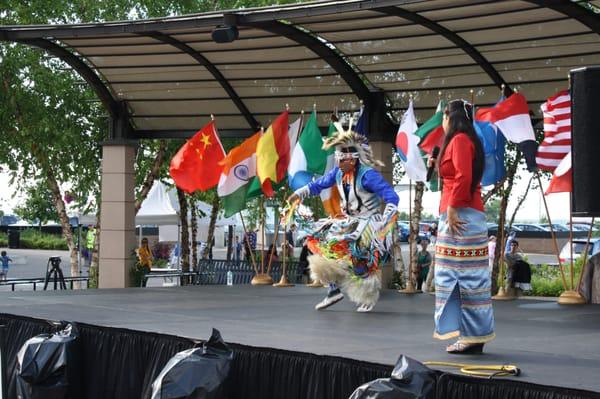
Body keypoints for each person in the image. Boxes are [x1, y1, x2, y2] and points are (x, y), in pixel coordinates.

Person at [287, 128, 399, 312]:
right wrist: (298, 194)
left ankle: (367, 296)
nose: (340, 162)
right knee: (325, 248)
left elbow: (391, 197)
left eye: (344, 158)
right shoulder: (337, 174)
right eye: (339, 158)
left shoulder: (368, 175)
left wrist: (385, 220)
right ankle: (333, 291)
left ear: (354, 159)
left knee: (359, 261)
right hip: (349, 222)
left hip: (368, 223)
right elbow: (317, 185)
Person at [432, 99, 494, 354]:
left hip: (460, 216)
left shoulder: (458, 141)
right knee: (468, 277)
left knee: (461, 277)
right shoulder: (466, 141)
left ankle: (471, 337)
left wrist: (453, 207)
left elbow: (463, 176)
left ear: (451, 117)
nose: (442, 123)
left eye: (444, 117)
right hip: (465, 214)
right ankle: (473, 336)